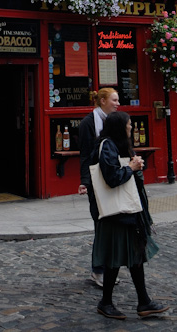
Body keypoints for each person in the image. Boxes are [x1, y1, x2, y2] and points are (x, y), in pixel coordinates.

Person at [92, 111, 168, 320]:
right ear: (119, 127)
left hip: (129, 211)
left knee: (135, 255)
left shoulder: (118, 144)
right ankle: (106, 302)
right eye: (129, 124)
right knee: (115, 258)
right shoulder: (107, 145)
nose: (131, 128)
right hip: (117, 213)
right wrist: (131, 168)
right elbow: (111, 177)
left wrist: (134, 166)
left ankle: (143, 301)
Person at [77, 87, 120, 287]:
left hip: (113, 178)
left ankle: (108, 269)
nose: (117, 103)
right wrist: (84, 181)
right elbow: (85, 154)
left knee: (112, 226)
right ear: (102, 101)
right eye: (114, 100)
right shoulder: (88, 123)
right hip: (96, 181)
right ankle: (98, 270)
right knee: (101, 225)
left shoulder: (116, 121)